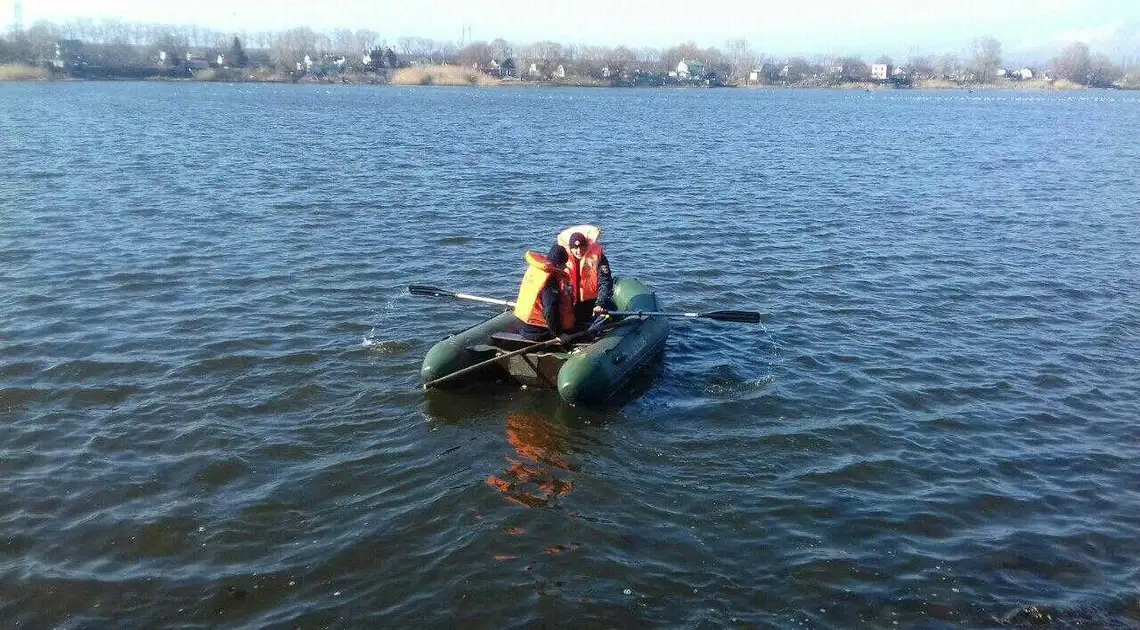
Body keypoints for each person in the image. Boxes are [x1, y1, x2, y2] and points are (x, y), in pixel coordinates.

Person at [512, 244, 576, 342]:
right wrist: (559, 334)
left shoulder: (536, 270)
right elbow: (549, 310)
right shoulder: (551, 280)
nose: (565, 268)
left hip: (524, 326)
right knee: (577, 331)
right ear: (558, 265)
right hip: (539, 332)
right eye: (564, 264)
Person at [556, 225, 615, 328]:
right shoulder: (563, 259)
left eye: (581, 247)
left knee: (608, 311)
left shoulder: (599, 258)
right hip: (571, 305)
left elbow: (605, 282)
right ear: (570, 249)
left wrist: (599, 303)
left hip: (592, 303)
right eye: (575, 248)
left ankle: (594, 332)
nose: (578, 251)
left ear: (586, 246)